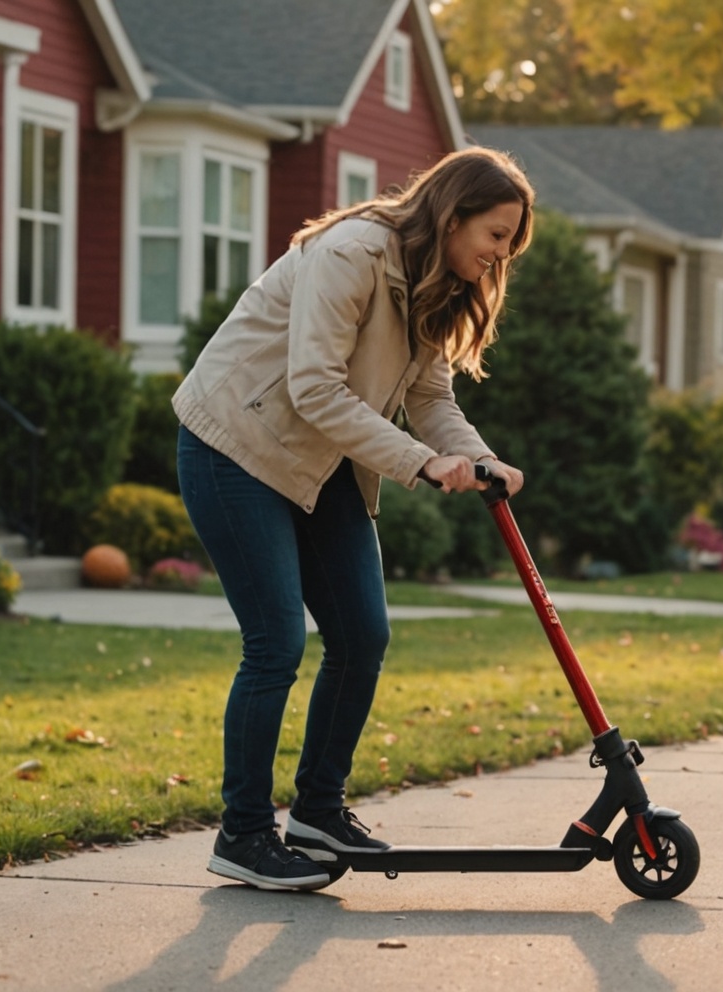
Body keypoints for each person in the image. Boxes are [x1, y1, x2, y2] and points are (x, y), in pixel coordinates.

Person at [172, 148, 534, 890]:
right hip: (236, 445)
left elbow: (431, 398)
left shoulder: (438, 282)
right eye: (496, 236)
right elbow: (313, 386)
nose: (501, 257)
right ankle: (242, 835)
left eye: (510, 244)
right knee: (275, 641)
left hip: (323, 454)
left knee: (363, 634)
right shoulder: (351, 252)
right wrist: (422, 464)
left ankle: (317, 812)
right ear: (452, 213)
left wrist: (480, 459)